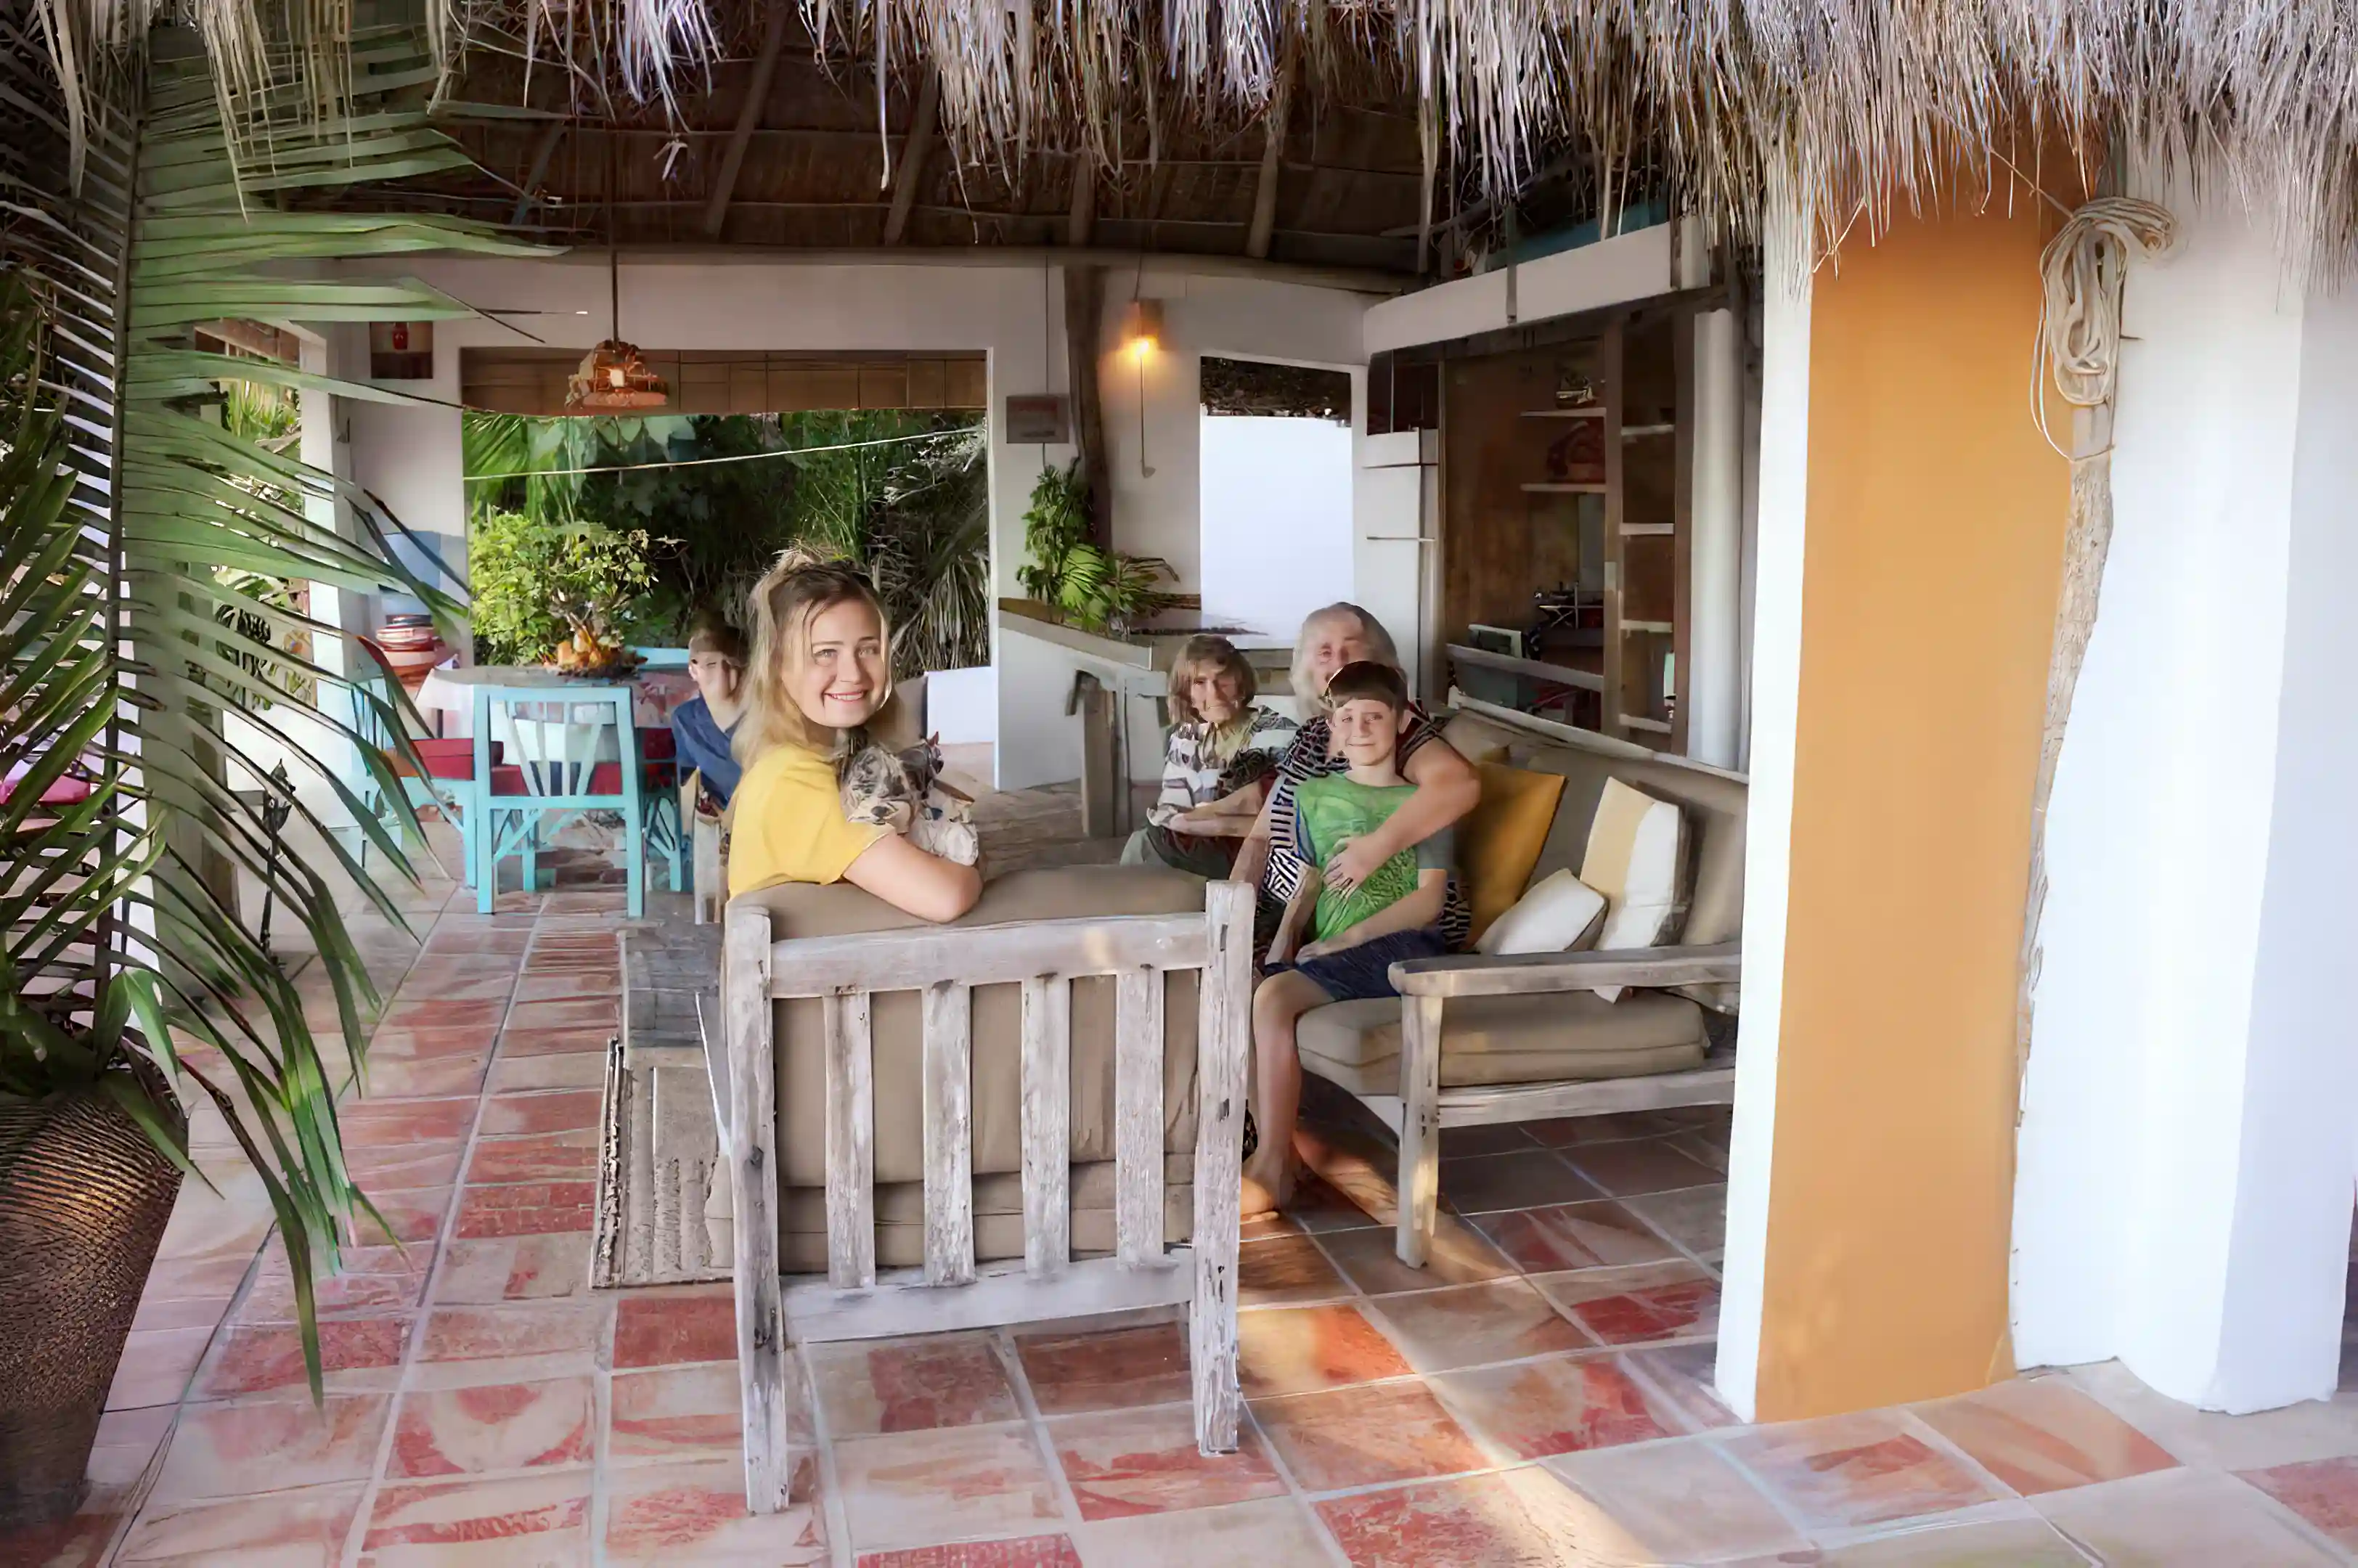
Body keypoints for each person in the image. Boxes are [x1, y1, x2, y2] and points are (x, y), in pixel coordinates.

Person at [1246, 661, 1458, 1214]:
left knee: (1273, 999)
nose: (1361, 727)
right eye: (1348, 717)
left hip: (1406, 948)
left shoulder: (1427, 801)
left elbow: (1429, 901)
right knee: (1246, 984)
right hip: (1335, 950)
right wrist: (1285, 941)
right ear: (1332, 727)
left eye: (1374, 716)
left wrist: (1349, 939)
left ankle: (1271, 1167)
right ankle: (1285, 1151)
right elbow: (1311, 882)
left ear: (1402, 722)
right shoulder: (1313, 797)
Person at [726, 555, 982, 923]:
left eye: (867, 649)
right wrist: (974, 868)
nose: (853, 673)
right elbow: (946, 897)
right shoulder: (793, 781)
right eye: (825, 653)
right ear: (780, 667)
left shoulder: (832, 756)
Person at [1231, 604, 1480, 961]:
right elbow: (1261, 835)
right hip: (1290, 911)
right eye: (1325, 652)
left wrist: (1375, 849)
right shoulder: (1314, 734)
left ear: (1378, 661)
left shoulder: (1395, 730)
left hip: (1378, 923)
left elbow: (1461, 785)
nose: (1338, 661)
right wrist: (1232, 912)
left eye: (1351, 647)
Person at [1120, 634, 1296, 877]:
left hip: (1247, 856)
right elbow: (1171, 805)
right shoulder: (1184, 734)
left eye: (1222, 679)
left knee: (1142, 848)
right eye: (1199, 682)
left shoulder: (1278, 735)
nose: (1214, 694)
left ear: (1241, 681)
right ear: (1186, 692)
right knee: (1141, 845)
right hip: (1186, 847)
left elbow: (1285, 820)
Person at [671, 611, 747, 807]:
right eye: (711, 665)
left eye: (731, 663)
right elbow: (687, 779)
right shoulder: (686, 720)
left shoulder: (767, 717)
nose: (722, 673)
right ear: (693, 671)